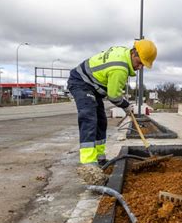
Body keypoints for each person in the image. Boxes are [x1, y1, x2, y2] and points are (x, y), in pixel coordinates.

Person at [67, 39, 157, 185]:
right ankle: (89, 165)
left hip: (93, 87)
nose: (140, 67)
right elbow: (114, 96)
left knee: (101, 121)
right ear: (134, 53)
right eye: (140, 63)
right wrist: (127, 106)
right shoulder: (120, 69)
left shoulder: (124, 54)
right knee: (89, 119)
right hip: (81, 83)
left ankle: (100, 158)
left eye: (143, 65)